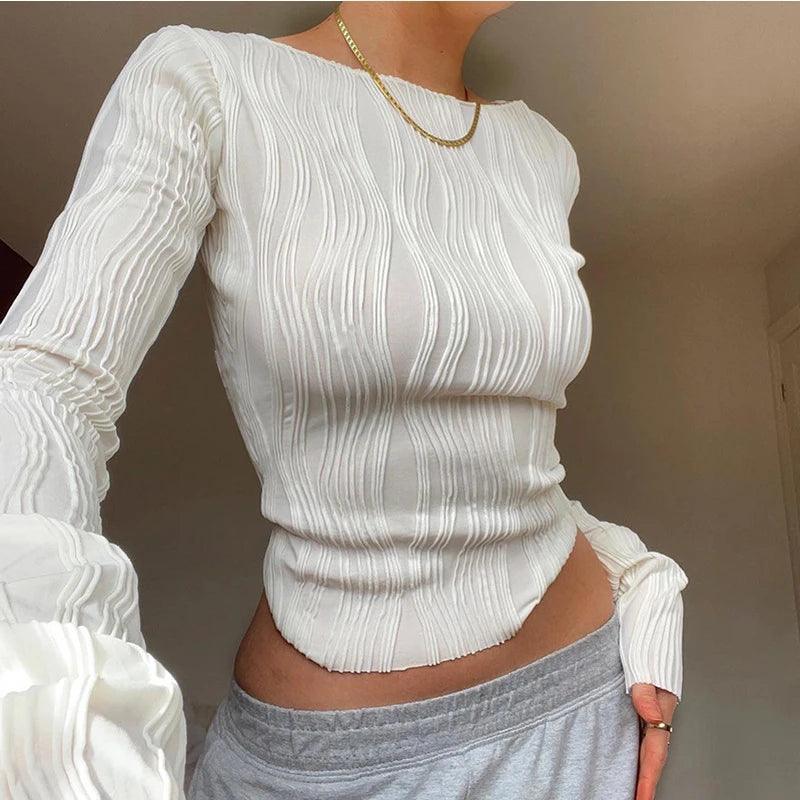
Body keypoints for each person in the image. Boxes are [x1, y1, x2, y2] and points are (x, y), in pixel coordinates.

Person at [0, 3, 688, 799]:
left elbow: (506, 460)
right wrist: (55, 737)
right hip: (340, 766)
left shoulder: (544, 151)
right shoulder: (206, 80)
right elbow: (44, 385)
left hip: (586, 707)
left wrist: (638, 580)